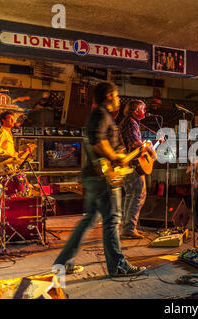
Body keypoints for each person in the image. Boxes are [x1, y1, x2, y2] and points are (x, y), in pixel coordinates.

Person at [53, 82, 145, 277]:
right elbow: (98, 142)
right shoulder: (102, 114)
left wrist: (120, 155)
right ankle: (118, 266)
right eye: (118, 95)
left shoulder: (100, 116)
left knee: (89, 220)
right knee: (112, 220)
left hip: (93, 176)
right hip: (102, 177)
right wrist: (116, 157)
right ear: (110, 95)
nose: (119, 99)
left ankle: (63, 262)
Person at [119, 99, 154, 239]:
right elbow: (134, 142)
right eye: (143, 109)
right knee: (139, 194)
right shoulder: (131, 122)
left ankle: (128, 228)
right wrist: (149, 148)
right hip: (132, 165)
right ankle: (129, 229)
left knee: (131, 195)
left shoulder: (130, 122)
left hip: (127, 165)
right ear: (136, 110)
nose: (144, 112)